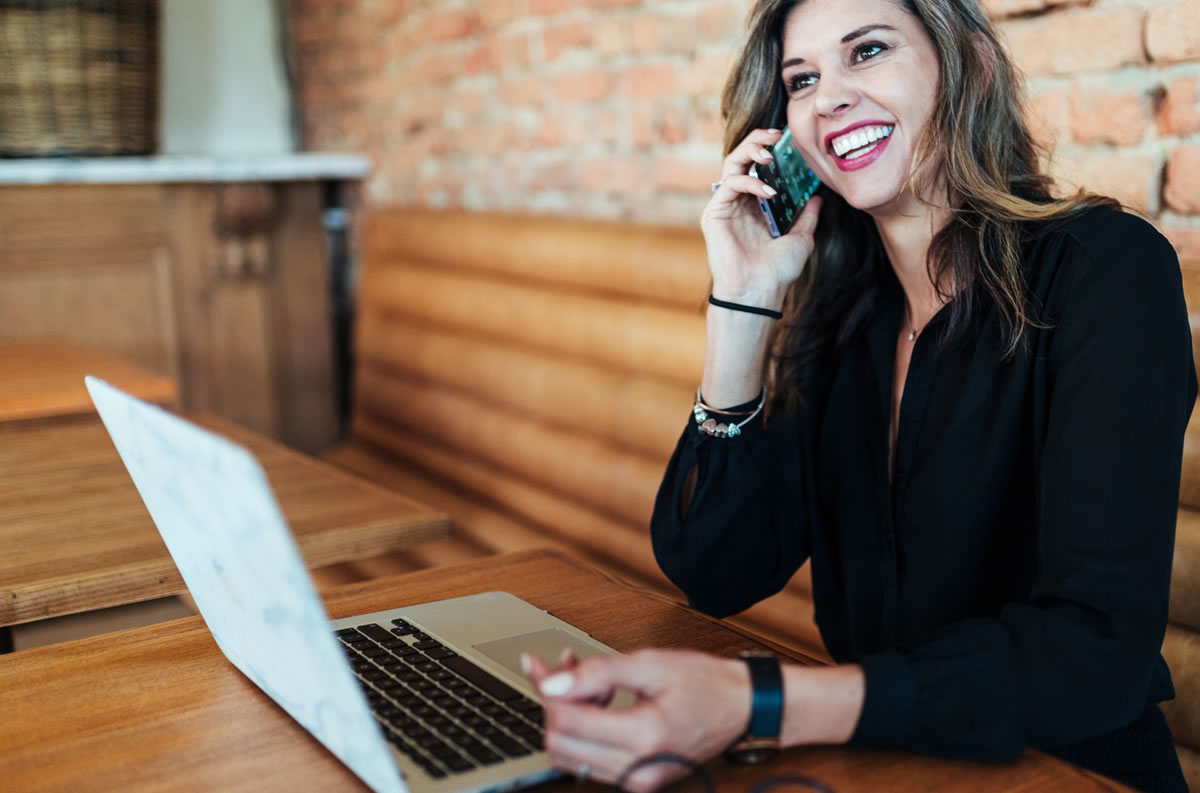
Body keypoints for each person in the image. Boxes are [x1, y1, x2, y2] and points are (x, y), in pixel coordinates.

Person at [518, 0, 1196, 791]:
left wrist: (764, 700)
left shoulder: (1107, 274)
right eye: (801, 80)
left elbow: (1095, 651)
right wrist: (742, 301)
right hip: (876, 763)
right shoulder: (847, 318)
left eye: (867, 51)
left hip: (1067, 772)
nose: (827, 97)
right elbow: (719, 570)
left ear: (969, 66)